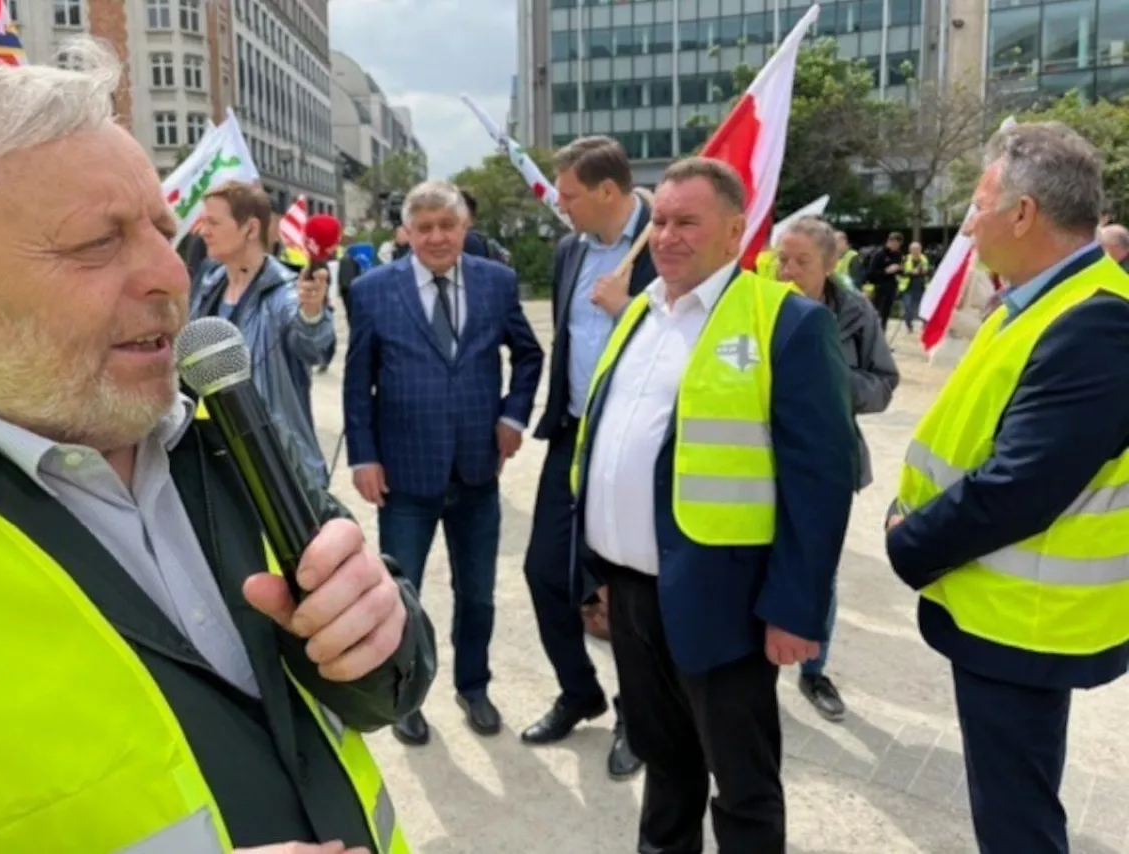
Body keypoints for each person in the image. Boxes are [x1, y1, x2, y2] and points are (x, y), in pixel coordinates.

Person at [0, 41, 436, 854]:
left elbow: (381, 686)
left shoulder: (217, 417)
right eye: (96, 242)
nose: (169, 272)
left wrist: (384, 636)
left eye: (165, 228)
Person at [571, 158, 856, 853]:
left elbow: (819, 481)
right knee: (664, 766)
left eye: (686, 222)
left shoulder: (786, 324)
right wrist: (593, 570)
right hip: (634, 592)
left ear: (736, 231)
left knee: (742, 782)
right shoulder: (640, 311)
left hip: (727, 598)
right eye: (660, 220)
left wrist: (796, 608)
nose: (665, 236)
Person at [887, 122, 1129, 854]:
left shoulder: (1096, 323)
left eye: (979, 203)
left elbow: (1021, 486)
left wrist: (909, 540)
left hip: (1025, 620)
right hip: (1000, 608)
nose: (968, 221)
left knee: (1016, 821)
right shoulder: (1037, 300)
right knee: (1010, 802)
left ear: (1023, 214)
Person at [344, 179, 544, 746]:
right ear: (406, 232)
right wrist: (364, 456)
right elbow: (359, 383)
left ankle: (473, 685)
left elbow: (529, 355)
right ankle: (404, 694)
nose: (436, 237)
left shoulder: (497, 282)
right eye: (424, 227)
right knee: (399, 594)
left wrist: (513, 416)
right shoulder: (374, 291)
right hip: (404, 474)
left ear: (464, 229)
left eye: (447, 226)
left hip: (478, 471)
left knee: (476, 592)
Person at [520, 136, 653, 779]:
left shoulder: (668, 245)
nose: (560, 206)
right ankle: (580, 692)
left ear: (607, 191)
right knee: (545, 572)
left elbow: (691, 340)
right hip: (573, 436)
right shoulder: (570, 250)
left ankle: (638, 713)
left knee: (623, 591)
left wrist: (627, 311)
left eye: (568, 195)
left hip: (634, 444)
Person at [775, 216, 900, 722]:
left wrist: (830, 377)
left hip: (827, 461)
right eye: (783, 259)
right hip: (761, 460)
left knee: (816, 570)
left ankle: (813, 671)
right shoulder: (758, 307)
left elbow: (884, 384)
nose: (788, 271)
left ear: (829, 264)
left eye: (801, 262)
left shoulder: (855, 313)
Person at [191, 182, 335, 485]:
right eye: (204, 221)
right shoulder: (207, 285)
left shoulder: (285, 295)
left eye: (213, 222)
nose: (203, 231)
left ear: (251, 228)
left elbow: (315, 349)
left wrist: (312, 314)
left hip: (277, 469)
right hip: (214, 462)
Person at [865, 231, 904, 331]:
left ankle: (882, 341)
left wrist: (899, 272)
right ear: (889, 241)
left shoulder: (898, 254)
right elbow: (870, 274)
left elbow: (900, 270)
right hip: (878, 290)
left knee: (885, 317)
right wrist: (886, 271)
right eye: (894, 243)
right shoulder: (879, 254)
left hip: (891, 289)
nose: (895, 247)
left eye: (898, 245)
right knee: (876, 315)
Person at [898, 241, 932, 333]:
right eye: (914, 249)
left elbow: (930, 271)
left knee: (924, 307)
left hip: (922, 287)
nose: (916, 251)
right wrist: (911, 272)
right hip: (907, 288)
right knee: (908, 307)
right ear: (910, 250)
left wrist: (926, 271)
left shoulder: (925, 259)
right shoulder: (905, 259)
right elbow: (900, 273)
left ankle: (925, 326)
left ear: (921, 249)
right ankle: (909, 326)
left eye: (917, 249)